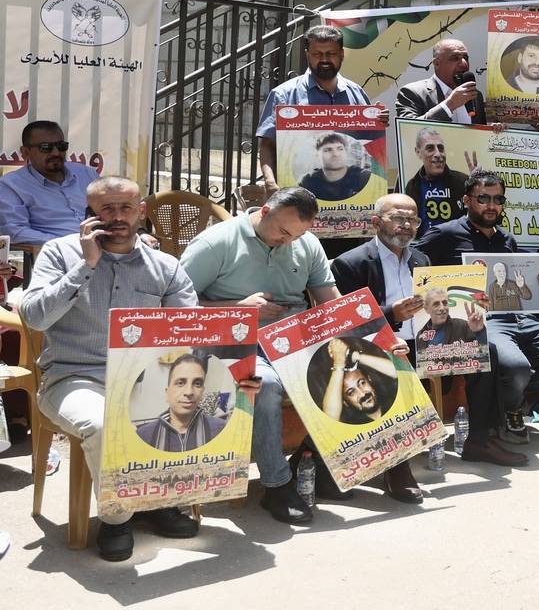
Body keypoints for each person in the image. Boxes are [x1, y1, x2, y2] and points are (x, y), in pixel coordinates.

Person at [23, 176, 213, 561]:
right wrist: (85, 267)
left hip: (148, 379)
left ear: (141, 211)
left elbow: (192, 330)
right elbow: (34, 317)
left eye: (126, 207)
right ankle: (117, 518)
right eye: (106, 208)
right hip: (74, 377)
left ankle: (160, 500)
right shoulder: (59, 254)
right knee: (102, 422)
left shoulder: (164, 266)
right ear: (89, 214)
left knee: (215, 403)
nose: (117, 217)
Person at [180, 187, 352, 521]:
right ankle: (276, 486)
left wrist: (363, 333)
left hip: (293, 338)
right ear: (264, 211)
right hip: (231, 340)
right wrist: (237, 308)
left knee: (353, 366)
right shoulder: (216, 242)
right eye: (283, 231)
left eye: (297, 235)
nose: (287, 241)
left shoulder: (304, 243)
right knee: (266, 384)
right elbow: (175, 304)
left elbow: (330, 298)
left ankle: (312, 461)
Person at [331, 193, 523, 468]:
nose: (407, 225)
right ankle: (396, 465)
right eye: (398, 218)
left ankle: (480, 439)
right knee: (390, 359)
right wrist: (391, 314)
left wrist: (469, 315)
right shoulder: (351, 263)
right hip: (383, 346)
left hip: (428, 344)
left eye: (413, 219)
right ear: (376, 222)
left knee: (484, 348)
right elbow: (346, 323)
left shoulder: (421, 259)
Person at [414, 170, 539, 444]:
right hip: (484, 322)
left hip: (522, 318)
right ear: (466, 200)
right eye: (483, 198)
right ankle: (511, 409)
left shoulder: (507, 240)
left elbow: (521, 286)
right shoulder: (445, 234)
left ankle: (506, 394)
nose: (492, 205)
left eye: (498, 199)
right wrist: (444, 286)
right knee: (517, 367)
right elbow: (412, 259)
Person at [255, 25, 385, 193]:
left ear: (342, 54)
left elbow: (370, 145)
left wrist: (378, 121)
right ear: (307, 55)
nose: (324, 60)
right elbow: (267, 145)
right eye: (317, 54)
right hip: (298, 198)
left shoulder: (357, 93)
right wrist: (270, 182)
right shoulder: (284, 95)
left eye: (330, 53)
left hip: (352, 198)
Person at [0, 120, 97, 245]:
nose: (56, 153)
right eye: (46, 148)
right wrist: (65, 245)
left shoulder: (86, 174)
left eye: (61, 146)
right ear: (25, 152)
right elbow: (15, 231)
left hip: (105, 248)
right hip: (57, 256)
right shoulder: (11, 185)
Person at [136, 354, 227, 451]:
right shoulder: (143, 436)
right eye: (180, 383)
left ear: (202, 392)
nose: (189, 392)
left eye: (197, 384)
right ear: (167, 393)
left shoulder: (222, 430)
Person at [395, 38, 488, 125]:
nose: (464, 63)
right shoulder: (412, 93)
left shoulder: (475, 95)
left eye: (466, 58)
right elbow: (408, 128)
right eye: (455, 58)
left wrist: (494, 129)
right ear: (436, 63)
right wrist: (449, 105)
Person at [306, 338, 399, 425]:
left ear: (369, 380)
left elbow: (400, 372)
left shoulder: (394, 399)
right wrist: (339, 363)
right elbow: (330, 417)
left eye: (362, 383)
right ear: (345, 402)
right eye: (351, 392)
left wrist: (352, 355)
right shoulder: (352, 424)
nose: (362, 394)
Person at [404, 128, 471, 236]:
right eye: (430, 148)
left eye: (441, 148)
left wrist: (478, 186)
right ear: (418, 152)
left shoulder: (463, 181)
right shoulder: (412, 186)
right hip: (423, 249)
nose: (438, 154)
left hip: (457, 248)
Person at [298, 132, 377, 201]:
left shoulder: (364, 177)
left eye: (340, 149)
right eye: (328, 150)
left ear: (346, 152)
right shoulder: (307, 181)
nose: (335, 154)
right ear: (317, 156)